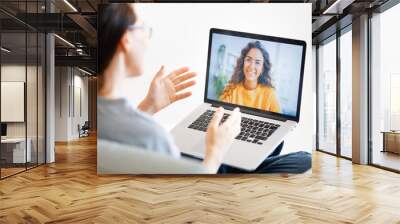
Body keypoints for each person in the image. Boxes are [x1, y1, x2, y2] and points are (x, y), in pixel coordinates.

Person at [97, 3, 311, 174]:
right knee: (304, 159)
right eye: (144, 28)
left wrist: (148, 107)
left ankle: (241, 161)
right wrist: (215, 151)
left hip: (219, 149)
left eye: (257, 62)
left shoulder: (99, 118)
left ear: (263, 67)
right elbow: (187, 190)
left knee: (282, 151)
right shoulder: (154, 136)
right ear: (126, 40)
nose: (252, 66)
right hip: (209, 164)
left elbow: (123, 134)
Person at [219, 41, 280, 112]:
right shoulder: (231, 89)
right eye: (248, 59)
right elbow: (220, 113)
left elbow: (279, 120)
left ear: (262, 69)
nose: (251, 66)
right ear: (243, 63)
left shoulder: (269, 94)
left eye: (257, 62)